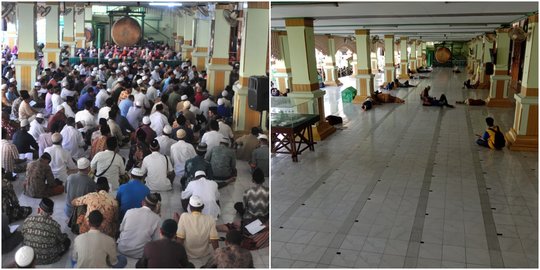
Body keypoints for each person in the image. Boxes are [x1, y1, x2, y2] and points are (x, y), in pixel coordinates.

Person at [20, 198, 71, 265]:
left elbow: (22, 235)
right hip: (48, 258)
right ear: (51, 213)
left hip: (29, 258)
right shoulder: (54, 225)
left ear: (38, 210)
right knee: (67, 241)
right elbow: (62, 239)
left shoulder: (27, 220)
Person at [117, 193, 162, 259]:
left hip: (122, 249)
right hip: (140, 254)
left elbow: (121, 229)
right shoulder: (157, 219)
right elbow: (156, 240)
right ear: (155, 207)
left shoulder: (129, 211)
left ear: (143, 202)